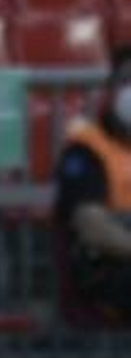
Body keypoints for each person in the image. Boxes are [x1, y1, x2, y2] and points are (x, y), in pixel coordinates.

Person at [55, 45, 131, 324]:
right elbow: (92, 226)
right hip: (106, 269)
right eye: (127, 81)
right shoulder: (87, 150)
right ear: (112, 91)